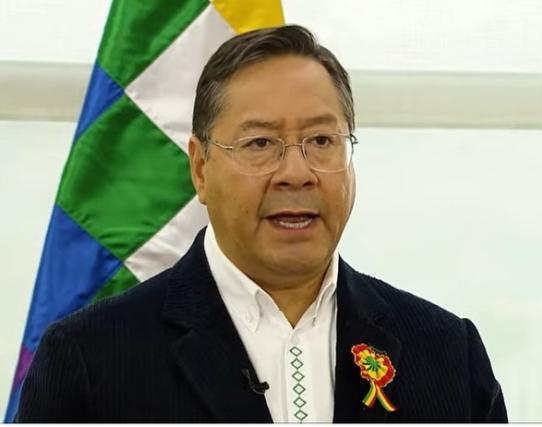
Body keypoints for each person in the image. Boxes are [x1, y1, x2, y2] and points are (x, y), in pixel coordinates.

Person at [16, 25, 507, 423]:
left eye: (321, 141)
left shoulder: (447, 354)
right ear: (200, 169)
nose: (296, 173)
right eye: (260, 144)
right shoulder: (89, 359)